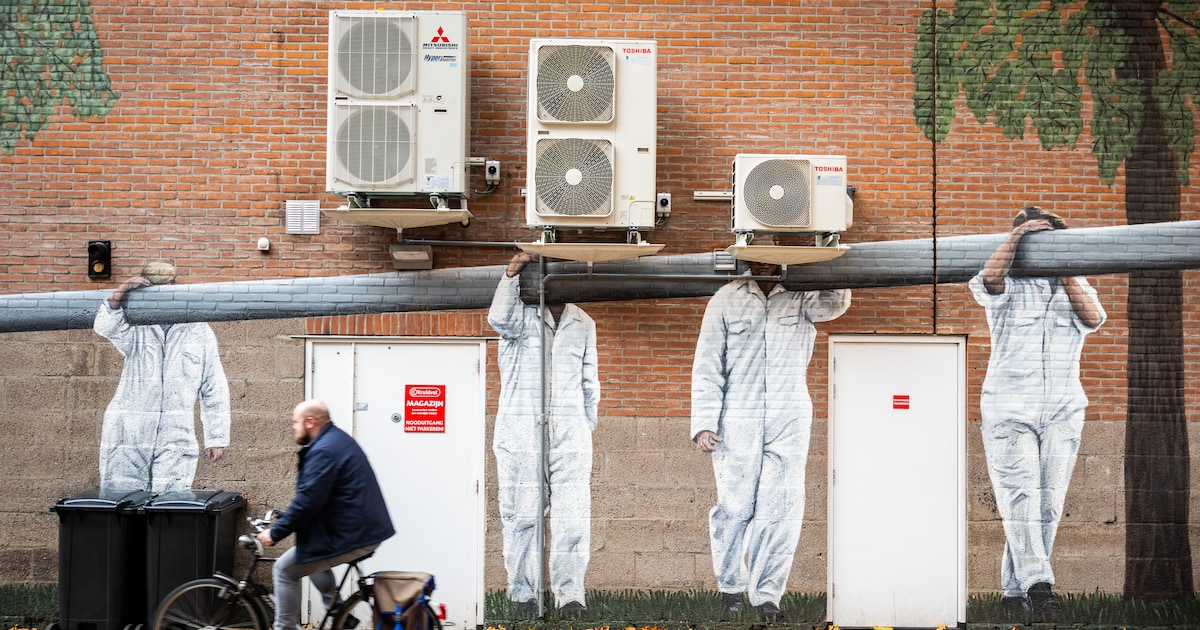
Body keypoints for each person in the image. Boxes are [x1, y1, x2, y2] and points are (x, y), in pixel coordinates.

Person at [690, 235, 850, 621]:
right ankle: (731, 588)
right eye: (757, 258)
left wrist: (825, 247)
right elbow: (708, 363)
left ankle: (767, 596)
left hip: (789, 413)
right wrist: (704, 423)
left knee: (780, 509)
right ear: (748, 259)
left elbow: (837, 302)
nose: (764, 264)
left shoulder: (801, 296)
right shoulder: (726, 299)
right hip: (736, 416)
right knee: (734, 507)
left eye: (772, 257)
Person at [969, 206, 1106, 623]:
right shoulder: (1005, 282)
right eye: (1034, 241)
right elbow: (990, 278)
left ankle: (1015, 589)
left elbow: (1093, 318)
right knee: (1020, 496)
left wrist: (1063, 268)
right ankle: (1040, 585)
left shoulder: (1075, 285)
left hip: (1064, 406)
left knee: (1048, 501)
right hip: (1010, 407)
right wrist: (1017, 236)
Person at [489, 252, 599, 618]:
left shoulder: (583, 322)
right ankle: (523, 594)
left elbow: (589, 381)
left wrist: (584, 425)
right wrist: (512, 271)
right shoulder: (518, 317)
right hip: (521, 430)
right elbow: (496, 317)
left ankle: (570, 596)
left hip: (569, 431)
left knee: (573, 516)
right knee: (523, 516)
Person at [257, 399, 395, 630]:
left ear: (310, 422)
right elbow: (317, 497)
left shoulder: (324, 450)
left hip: (356, 534)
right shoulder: (334, 439)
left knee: (284, 570)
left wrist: (275, 533)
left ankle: (285, 627)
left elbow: (307, 501)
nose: (293, 427)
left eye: (295, 422)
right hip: (358, 528)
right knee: (308, 552)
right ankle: (339, 613)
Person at [94, 261, 229, 493]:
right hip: (128, 432)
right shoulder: (136, 326)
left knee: (168, 509)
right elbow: (105, 326)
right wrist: (122, 290)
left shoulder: (198, 331)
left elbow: (213, 386)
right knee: (122, 502)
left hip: (176, 434)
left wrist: (216, 437)